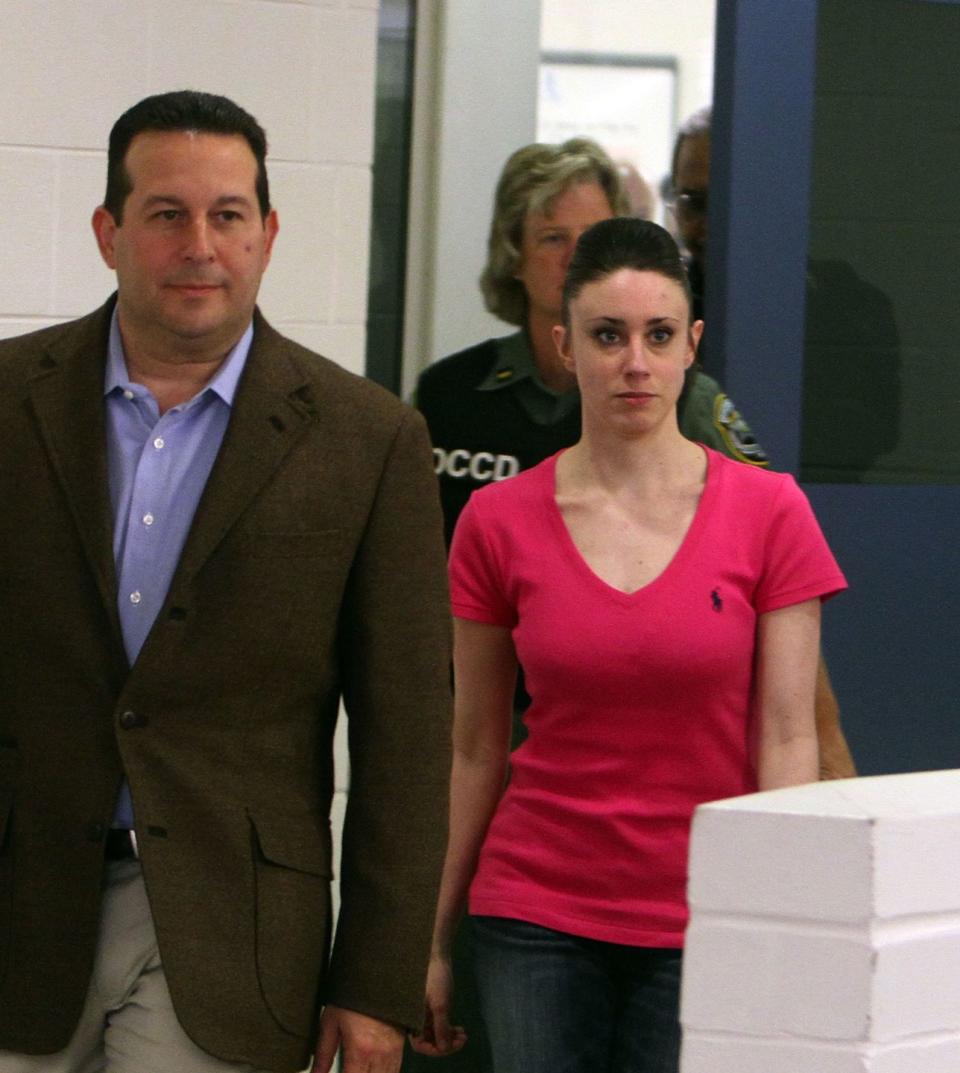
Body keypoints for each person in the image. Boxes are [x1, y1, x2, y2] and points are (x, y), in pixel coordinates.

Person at [0, 90, 451, 1073]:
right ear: (108, 231)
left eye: (228, 214)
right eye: (166, 214)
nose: (199, 243)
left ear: (269, 233)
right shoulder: (8, 399)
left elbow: (408, 734)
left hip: (232, 929)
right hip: (24, 904)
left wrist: (374, 979)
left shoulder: (368, 440)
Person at [412, 217, 847, 1073]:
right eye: (607, 336)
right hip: (533, 906)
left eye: (657, 336)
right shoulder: (496, 522)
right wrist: (429, 936)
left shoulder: (772, 512)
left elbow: (791, 737)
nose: (635, 364)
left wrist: (784, 920)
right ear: (565, 345)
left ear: (692, 346)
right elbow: (474, 747)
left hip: (706, 911)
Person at [418, 138, 766, 551]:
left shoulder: (674, 392)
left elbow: (760, 534)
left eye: (593, 239)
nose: (576, 257)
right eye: (553, 238)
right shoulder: (447, 395)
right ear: (513, 255)